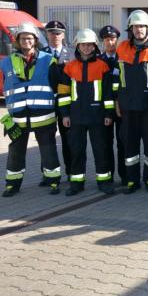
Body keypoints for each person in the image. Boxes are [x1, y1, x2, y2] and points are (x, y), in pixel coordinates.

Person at [0, 23, 62, 196]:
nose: (26, 41)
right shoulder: (6, 63)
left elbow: (57, 87)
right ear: (18, 41)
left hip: (44, 116)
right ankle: (12, 184)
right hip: (18, 117)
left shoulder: (48, 60)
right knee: (15, 152)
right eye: (23, 38)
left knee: (48, 149)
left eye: (29, 38)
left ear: (35, 40)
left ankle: (53, 181)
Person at [115, 10, 148, 194]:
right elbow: (117, 78)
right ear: (130, 29)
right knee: (129, 144)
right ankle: (132, 181)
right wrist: (117, 101)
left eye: (142, 26)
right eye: (135, 27)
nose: (139, 30)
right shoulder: (121, 47)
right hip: (128, 106)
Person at [57, 29, 115, 196]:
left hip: (98, 117)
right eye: (84, 44)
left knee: (101, 150)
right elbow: (63, 93)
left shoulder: (102, 66)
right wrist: (65, 115)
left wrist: (108, 114)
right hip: (76, 117)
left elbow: (108, 94)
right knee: (76, 150)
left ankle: (104, 182)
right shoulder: (69, 67)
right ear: (78, 46)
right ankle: (76, 183)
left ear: (95, 46)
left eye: (90, 44)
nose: (87, 47)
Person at [42, 20, 75, 184]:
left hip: (66, 103)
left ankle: (71, 171)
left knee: (68, 139)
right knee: (46, 140)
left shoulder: (72, 54)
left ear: (63, 35)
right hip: (45, 102)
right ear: (46, 34)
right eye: (51, 32)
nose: (55, 36)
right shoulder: (41, 54)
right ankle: (48, 174)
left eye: (58, 33)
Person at [98, 25, 125, 185]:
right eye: (107, 40)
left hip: (122, 108)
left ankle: (125, 176)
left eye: (113, 39)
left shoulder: (124, 59)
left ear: (117, 40)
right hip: (104, 110)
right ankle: (107, 177)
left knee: (123, 143)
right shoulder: (98, 60)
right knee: (105, 144)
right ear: (103, 41)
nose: (110, 42)